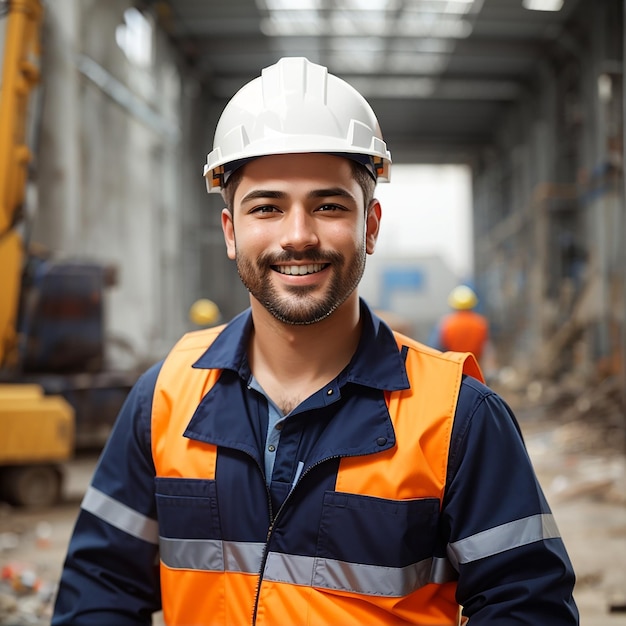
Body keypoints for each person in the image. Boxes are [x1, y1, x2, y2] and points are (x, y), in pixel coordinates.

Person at [52, 57, 578, 625]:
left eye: (328, 205)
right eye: (267, 208)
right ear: (231, 231)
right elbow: (98, 591)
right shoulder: (163, 399)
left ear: (370, 226)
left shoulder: (459, 417)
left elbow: (529, 610)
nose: (298, 235)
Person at [430, 285, 490, 363]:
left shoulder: (446, 324)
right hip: (473, 366)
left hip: (453, 366)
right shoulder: (481, 323)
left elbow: (436, 347)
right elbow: (485, 348)